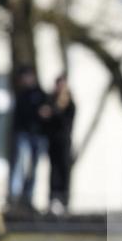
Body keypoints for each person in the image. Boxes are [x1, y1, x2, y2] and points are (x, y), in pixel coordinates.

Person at [9, 65, 50, 211]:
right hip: (23, 135)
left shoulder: (41, 95)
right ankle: (14, 197)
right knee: (20, 165)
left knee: (33, 168)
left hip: (37, 136)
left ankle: (28, 197)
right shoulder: (21, 95)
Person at [47, 74, 76, 215]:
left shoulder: (70, 104)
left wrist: (56, 110)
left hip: (64, 142)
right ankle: (53, 199)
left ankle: (64, 200)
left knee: (64, 171)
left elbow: (64, 120)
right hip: (53, 142)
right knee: (54, 171)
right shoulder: (51, 101)